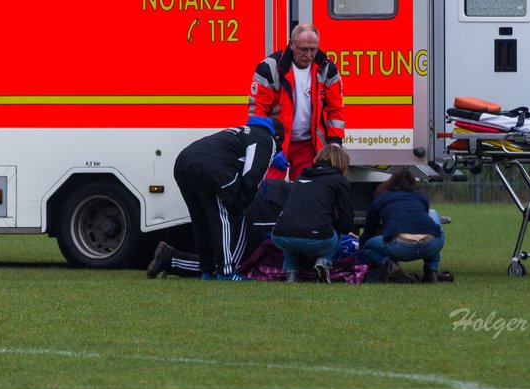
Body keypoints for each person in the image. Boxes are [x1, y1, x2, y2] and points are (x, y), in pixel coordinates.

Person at [173, 116, 283, 280]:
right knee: (222, 217)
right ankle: (225, 272)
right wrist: (239, 206)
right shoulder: (267, 140)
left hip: (183, 161)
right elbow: (253, 175)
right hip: (209, 168)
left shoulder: (242, 131)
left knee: (201, 220)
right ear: (277, 138)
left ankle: (207, 270)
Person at [249, 22, 345, 179]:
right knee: (269, 192)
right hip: (277, 142)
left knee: (306, 194)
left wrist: (335, 144)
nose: (308, 54)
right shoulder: (270, 68)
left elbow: (336, 110)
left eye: (313, 49)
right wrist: (270, 145)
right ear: (291, 44)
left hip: (308, 147)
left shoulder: (326, 68)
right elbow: (257, 112)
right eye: (303, 49)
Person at [147, 179, 291, 278]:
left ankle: (171, 258)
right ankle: (171, 259)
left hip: (247, 198)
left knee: (227, 261)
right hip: (255, 210)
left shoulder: (303, 187)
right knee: (233, 267)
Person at [270, 144, 354, 282]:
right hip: (318, 239)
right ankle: (324, 261)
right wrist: (340, 227)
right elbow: (346, 221)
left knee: (290, 229)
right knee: (338, 233)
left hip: (280, 236)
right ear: (343, 162)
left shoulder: (300, 177)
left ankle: (291, 271)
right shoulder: (339, 180)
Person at [359, 166, 446, 283]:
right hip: (431, 244)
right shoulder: (421, 197)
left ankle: (390, 265)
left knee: (368, 246)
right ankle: (431, 271)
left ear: (390, 182)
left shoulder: (381, 198)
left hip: (400, 246)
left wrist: (362, 246)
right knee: (432, 221)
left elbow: (369, 230)